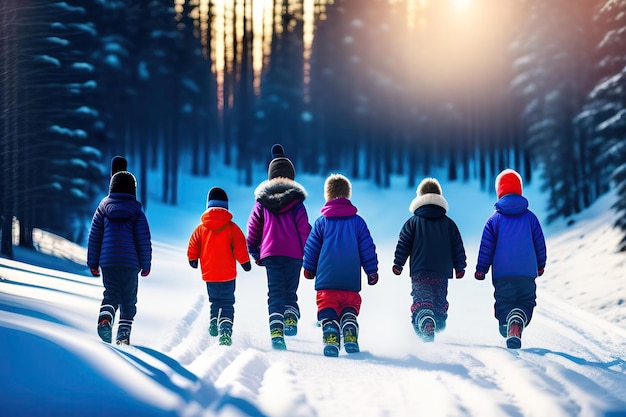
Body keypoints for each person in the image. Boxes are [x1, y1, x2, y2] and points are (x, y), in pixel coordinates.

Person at [303, 174, 378, 357]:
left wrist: (309, 267)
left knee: (327, 308)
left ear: (327, 196)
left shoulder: (322, 222)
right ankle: (349, 324)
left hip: (327, 282)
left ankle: (330, 330)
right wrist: (372, 271)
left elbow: (312, 247)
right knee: (349, 307)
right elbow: (367, 248)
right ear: (348, 195)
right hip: (350, 282)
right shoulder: (358, 222)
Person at [246, 144, 312, 350]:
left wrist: (255, 250)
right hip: (294, 255)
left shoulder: (262, 202)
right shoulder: (298, 203)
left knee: (275, 291)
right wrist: (307, 254)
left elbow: (253, 228)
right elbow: (304, 230)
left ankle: (276, 330)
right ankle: (290, 315)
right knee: (290, 290)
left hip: (271, 254)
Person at [475, 168, 547, 349]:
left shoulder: (494, 220)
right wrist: (540, 265)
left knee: (504, 304)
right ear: (519, 190)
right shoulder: (531, 218)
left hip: (503, 275)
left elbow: (486, 247)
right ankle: (516, 324)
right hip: (526, 274)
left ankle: (508, 322)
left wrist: (481, 269)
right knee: (525, 303)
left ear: (499, 192)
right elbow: (540, 244)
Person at [392, 177, 466, 342]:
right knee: (439, 303)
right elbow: (457, 247)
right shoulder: (449, 224)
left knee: (422, 300)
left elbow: (403, 243)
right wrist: (460, 266)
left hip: (420, 272)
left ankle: (426, 322)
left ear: (419, 198)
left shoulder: (412, 223)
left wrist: (398, 264)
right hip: (441, 273)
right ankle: (436, 321)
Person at [87, 170, 152, 345]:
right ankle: (123, 332)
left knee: (111, 293)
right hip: (130, 264)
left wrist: (93, 262)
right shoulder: (137, 211)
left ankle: (106, 317)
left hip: (108, 262)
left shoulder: (102, 208)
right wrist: (145, 264)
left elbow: (95, 237)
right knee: (129, 298)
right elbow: (143, 240)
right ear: (132, 190)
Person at [187, 187, 251, 346]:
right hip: (228, 275)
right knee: (227, 302)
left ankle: (214, 321)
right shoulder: (232, 228)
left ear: (208, 206)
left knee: (215, 301)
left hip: (210, 274)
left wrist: (193, 259)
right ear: (226, 207)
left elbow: (193, 244)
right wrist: (245, 263)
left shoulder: (201, 228)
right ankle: (226, 330)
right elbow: (240, 246)